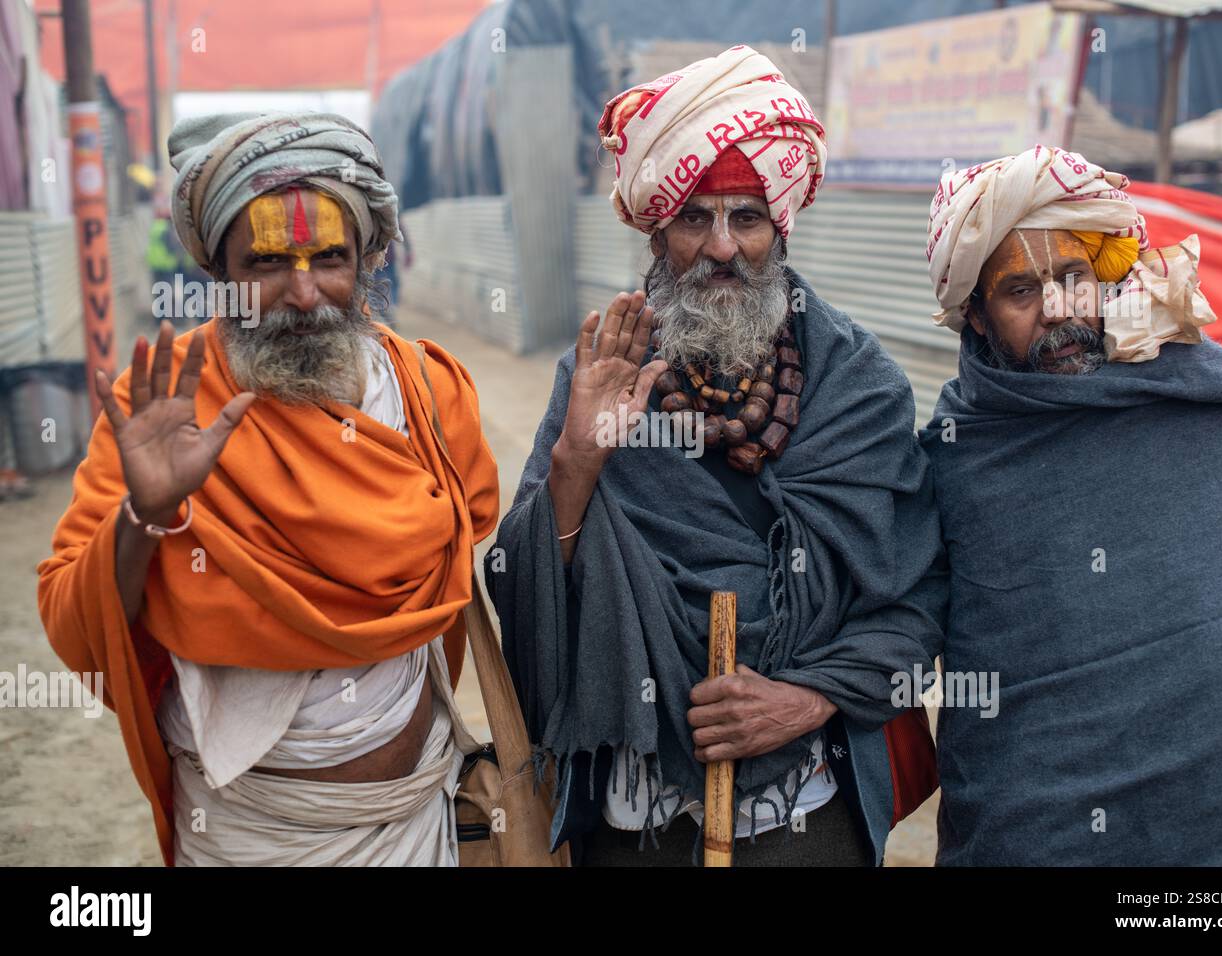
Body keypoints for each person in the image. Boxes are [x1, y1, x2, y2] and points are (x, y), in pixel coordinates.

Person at [486, 46, 947, 867]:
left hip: (813, 809)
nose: (723, 246)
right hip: (636, 822)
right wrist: (576, 462)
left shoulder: (861, 384)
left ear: (781, 227)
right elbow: (519, 597)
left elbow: (916, 602)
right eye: (696, 217)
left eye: (747, 217)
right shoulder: (595, 376)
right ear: (659, 233)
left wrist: (807, 700)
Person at [37, 112, 500, 866]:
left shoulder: (428, 390)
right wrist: (143, 515)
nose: (305, 292)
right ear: (219, 272)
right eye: (268, 263)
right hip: (244, 838)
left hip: (415, 823)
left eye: (329, 257)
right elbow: (76, 621)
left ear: (369, 258)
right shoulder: (164, 405)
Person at [919, 145, 1222, 865]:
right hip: (1051, 819)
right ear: (974, 316)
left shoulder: (1202, 392)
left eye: (1072, 278)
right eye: (1022, 293)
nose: (1059, 310)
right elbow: (899, 615)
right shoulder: (957, 455)